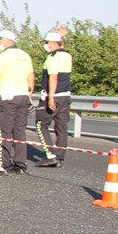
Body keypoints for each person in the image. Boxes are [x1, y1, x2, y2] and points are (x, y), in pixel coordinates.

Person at [0, 30, 35, 175]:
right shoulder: (25, 55)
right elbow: (31, 76)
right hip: (23, 95)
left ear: (7, 40)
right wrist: (29, 95)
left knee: (4, 130)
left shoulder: (3, 55)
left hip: (8, 96)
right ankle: (20, 164)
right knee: (20, 130)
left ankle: (3, 165)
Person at [35, 29, 72, 167]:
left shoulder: (52, 58)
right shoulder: (66, 56)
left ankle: (50, 155)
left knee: (40, 124)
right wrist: (60, 36)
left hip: (53, 96)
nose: (46, 45)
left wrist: (50, 97)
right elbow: (61, 46)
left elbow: (53, 77)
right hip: (65, 96)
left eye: (47, 42)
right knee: (61, 126)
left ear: (52, 43)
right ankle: (60, 157)